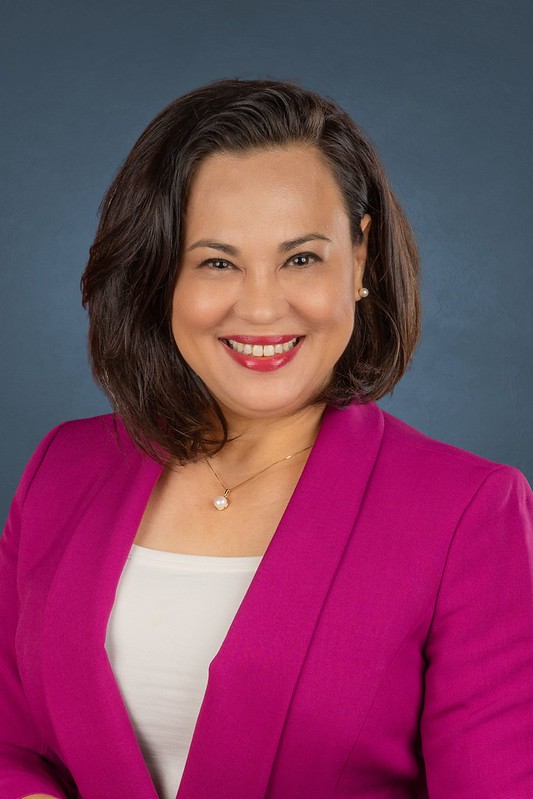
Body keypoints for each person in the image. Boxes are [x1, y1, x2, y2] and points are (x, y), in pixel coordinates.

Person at [1, 78, 532, 799]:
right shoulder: (63, 467)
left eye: (301, 258)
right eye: (217, 261)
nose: (259, 307)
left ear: (361, 258)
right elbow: (10, 738)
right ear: (162, 274)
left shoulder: (469, 512)